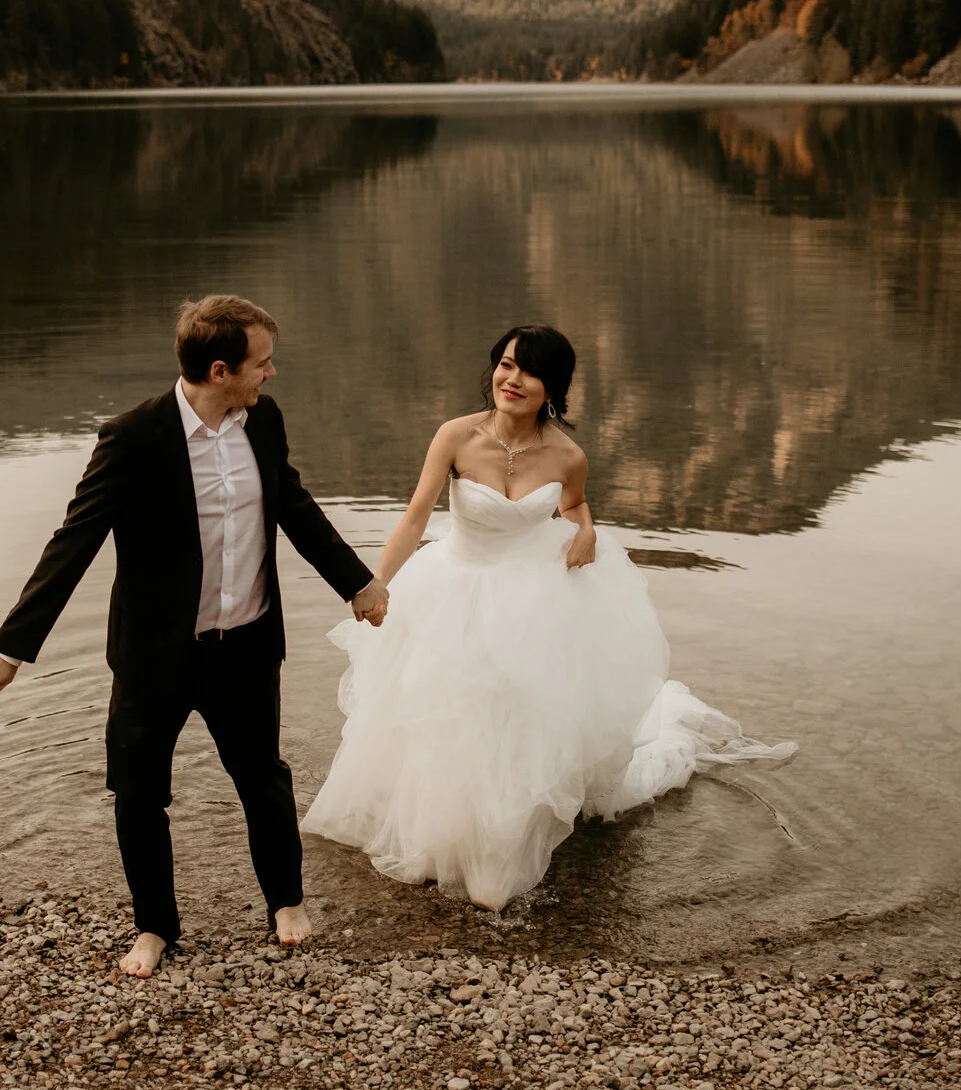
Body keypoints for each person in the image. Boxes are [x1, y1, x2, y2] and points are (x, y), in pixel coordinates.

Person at [0, 295, 388, 978]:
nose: (270, 373)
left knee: (262, 777)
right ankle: (155, 927)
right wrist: (10, 648)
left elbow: (292, 503)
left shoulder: (263, 420)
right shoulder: (133, 437)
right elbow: (74, 541)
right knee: (138, 792)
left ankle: (286, 902)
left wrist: (356, 581)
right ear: (220, 371)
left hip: (245, 643)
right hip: (155, 655)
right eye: (261, 363)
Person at [301, 324, 792, 908]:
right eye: (507, 365)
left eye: (530, 371)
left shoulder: (567, 454)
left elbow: (574, 503)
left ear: (552, 387)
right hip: (454, 588)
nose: (513, 380)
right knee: (448, 713)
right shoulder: (456, 435)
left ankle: (501, 842)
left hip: (535, 600)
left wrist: (586, 530)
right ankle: (443, 833)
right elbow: (414, 518)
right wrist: (377, 583)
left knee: (518, 719)